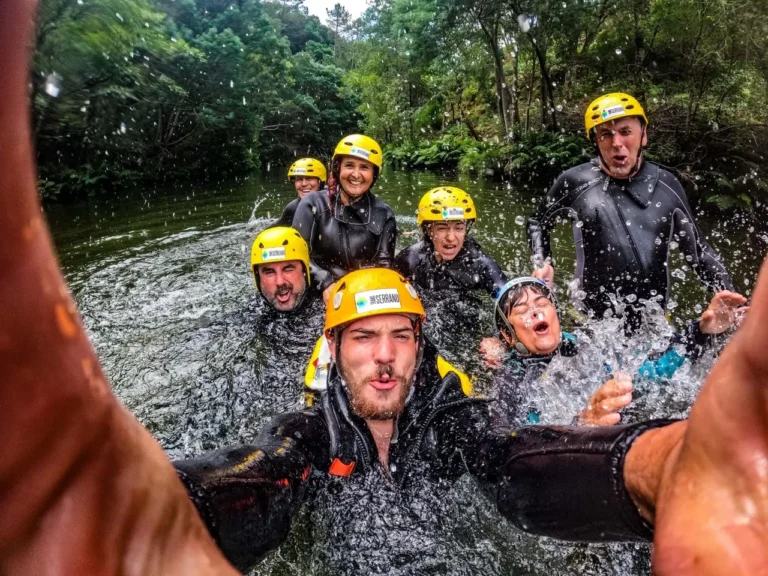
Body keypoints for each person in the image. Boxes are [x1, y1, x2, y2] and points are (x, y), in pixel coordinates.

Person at [4, 5, 768, 573]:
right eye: (364, 339)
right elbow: (264, 474)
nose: (385, 357)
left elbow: (512, 462)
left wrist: (648, 468)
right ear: (333, 350)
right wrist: (161, 512)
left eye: (401, 336)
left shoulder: (446, 406)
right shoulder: (314, 425)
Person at [527, 92, 736, 322]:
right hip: (590, 324)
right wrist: (544, 262)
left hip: (653, 326)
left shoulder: (668, 184)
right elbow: (538, 222)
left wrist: (728, 296)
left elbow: (699, 251)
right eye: (606, 134)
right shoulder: (575, 182)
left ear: (643, 135)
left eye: (625, 132)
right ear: (596, 142)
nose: (617, 143)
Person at [481, 277, 748, 428]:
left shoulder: (588, 347)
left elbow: (651, 373)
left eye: (542, 304)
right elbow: (512, 448)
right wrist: (579, 426)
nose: (536, 312)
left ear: (556, 314)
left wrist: (701, 331)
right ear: (508, 335)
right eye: (523, 311)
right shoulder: (512, 383)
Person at [291, 134, 397, 303]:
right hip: (318, 291)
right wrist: (325, 282)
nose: (356, 174)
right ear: (337, 168)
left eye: (364, 167)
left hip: (362, 293)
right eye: (349, 165)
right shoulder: (312, 203)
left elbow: (385, 265)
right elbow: (295, 254)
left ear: (374, 174)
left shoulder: (385, 214)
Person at [395, 186, 508, 297]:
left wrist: (511, 300)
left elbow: (507, 295)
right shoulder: (410, 259)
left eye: (459, 228)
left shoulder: (480, 263)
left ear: (466, 230)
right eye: (442, 228)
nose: (451, 237)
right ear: (429, 230)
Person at [250, 226, 320, 313]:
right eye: (269, 272)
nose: (280, 282)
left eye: (288, 269)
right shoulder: (248, 316)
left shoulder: (327, 301)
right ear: (258, 278)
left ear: (305, 271)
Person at [272, 158, 327, 228]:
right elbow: (273, 230)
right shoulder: (292, 208)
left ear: (320, 182)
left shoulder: (332, 204)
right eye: (299, 179)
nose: (304, 184)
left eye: (309, 178)